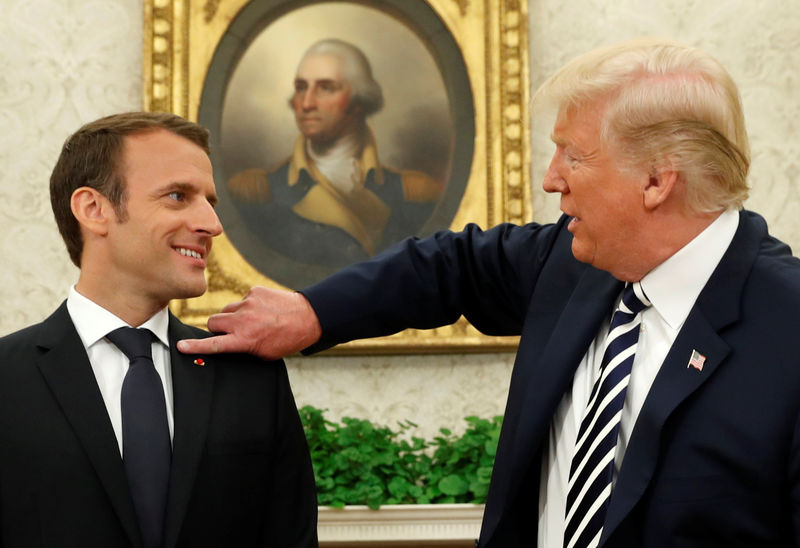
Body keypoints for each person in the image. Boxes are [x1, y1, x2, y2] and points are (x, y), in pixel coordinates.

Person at [178, 38, 800, 547]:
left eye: (572, 156)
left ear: (657, 180)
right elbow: (444, 267)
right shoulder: (571, 261)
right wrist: (313, 312)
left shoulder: (789, 326)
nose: (551, 179)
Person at [0, 112, 318, 547]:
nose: (212, 224)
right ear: (94, 210)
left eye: (210, 201)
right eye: (177, 196)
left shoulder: (250, 375)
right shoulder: (6, 378)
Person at [227, 38, 443, 270]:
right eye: (301, 87)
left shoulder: (415, 193)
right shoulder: (256, 193)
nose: (306, 103)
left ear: (358, 100)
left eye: (326, 88)